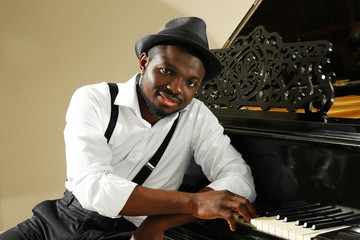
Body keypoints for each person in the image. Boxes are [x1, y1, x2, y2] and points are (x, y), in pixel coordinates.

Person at [0, 16, 256, 240]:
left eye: (191, 82)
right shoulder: (94, 98)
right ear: (144, 62)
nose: (177, 89)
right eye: (167, 71)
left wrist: (159, 221)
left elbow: (240, 179)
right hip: (59, 221)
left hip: (126, 232)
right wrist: (193, 203)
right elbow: (94, 188)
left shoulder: (197, 116)